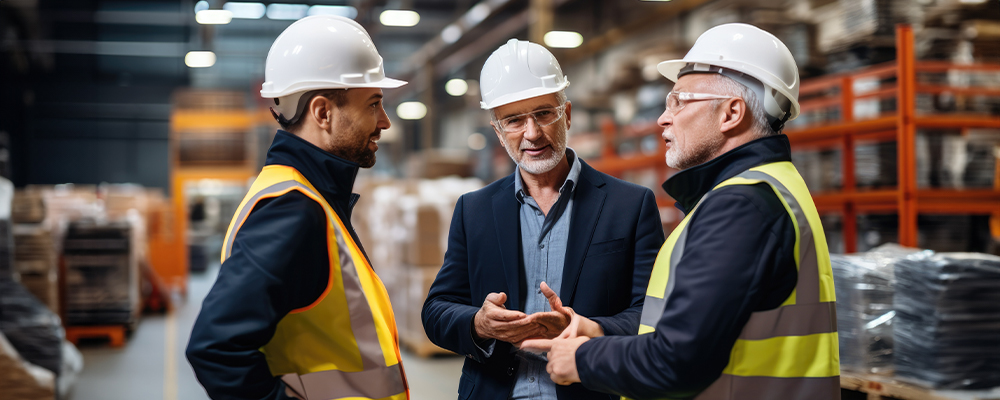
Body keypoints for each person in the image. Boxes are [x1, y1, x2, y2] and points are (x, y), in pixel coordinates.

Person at [523, 23, 841, 400]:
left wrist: (582, 358)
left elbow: (677, 360)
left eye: (679, 101)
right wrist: (600, 331)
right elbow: (698, 330)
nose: (663, 117)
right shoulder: (765, 188)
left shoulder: (741, 207)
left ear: (731, 113)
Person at [421, 38, 665, 400]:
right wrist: (479, 323)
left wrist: (589, 328)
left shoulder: (630, 205)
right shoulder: (474, 210)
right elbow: (437, 310)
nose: (532, 133)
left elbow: (653, 311)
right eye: (514, 120)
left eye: (544, 114)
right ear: (498, 132)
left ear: (567, 114)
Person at [186, 15, 409, 400]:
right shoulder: (293, 210)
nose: (384, 122)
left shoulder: (309, 196)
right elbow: (215, 348)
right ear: (322, 113)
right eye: (373, 104)